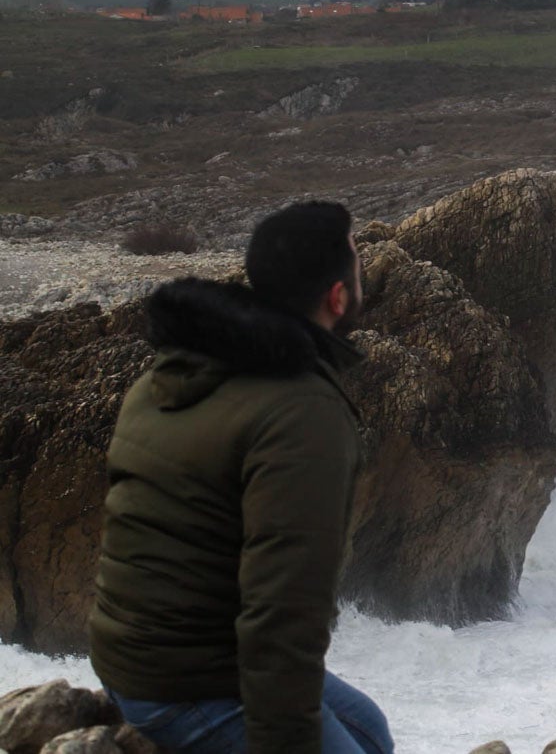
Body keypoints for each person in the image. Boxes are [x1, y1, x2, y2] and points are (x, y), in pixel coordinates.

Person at [88, 201, 393, 754]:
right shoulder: (302, 413)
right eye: (356, 260)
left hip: (129, 654)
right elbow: (284, 611)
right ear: (337, 296)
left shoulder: (183, 365)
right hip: (184, 683)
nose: (361, 271)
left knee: (372, 731)